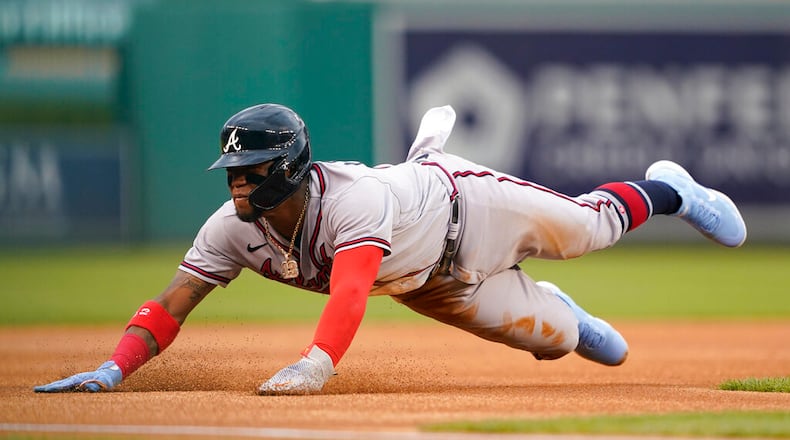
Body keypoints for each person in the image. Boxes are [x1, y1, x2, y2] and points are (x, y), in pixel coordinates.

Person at [34, 103, 747, 395]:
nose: (236, 184)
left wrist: (315, 367)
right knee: (566, 344)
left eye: (247, 172)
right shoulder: (230, 228)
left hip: (472, 207)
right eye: (232, 173)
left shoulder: (350, 203)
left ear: (285, 168)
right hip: (431, 284)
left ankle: (671, 190)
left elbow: (349, 293)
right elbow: (172, 304)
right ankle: (560, 311)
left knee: (592, 229)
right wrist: (111, 368)